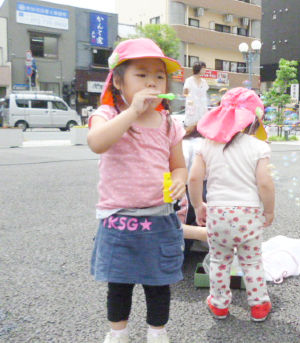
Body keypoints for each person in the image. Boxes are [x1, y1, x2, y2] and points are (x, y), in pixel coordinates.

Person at [87, 38, 188, 343]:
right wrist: (132, 111)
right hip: (118, 219)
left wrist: (181, 178)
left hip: (159, 218)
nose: (153, 83)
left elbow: (179, 166)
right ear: (118, 81)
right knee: (119, 283)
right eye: (141, 75)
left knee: (159, 284)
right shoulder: (107, 115)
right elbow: (96, 143)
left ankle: (157, 333)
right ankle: (118, 334)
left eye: (159, 76)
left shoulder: (169, 124)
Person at [188, 87, 275, 322]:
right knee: (252, 261)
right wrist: (269, 210)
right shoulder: (258, 147)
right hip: (248, 214)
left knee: (219, 261)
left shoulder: (206, 145)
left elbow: (194, 178)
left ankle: (219, 305)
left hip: (217, 213)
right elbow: (265, 184)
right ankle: (258, 305)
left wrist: (198, 205)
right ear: (255, 120)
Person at [183, 61, 208, 127]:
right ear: (198, 68)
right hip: (192, 108)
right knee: (190, 127)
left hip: (202, 109)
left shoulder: (204, 82)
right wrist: (190, 100)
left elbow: (204, 95)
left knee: (202, 126)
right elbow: (185, 93)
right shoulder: (189, 80)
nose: (205, 70)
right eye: (203, 68)